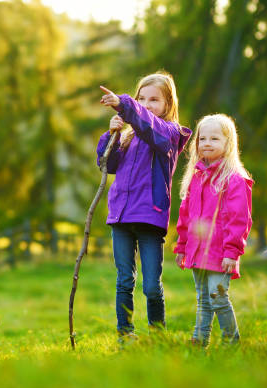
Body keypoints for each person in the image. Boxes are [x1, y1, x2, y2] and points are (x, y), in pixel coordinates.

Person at [97, 71, 192, 337]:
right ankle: (125, 333)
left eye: (154, 100)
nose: (147, 104)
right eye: (142, 98)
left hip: (150, 217)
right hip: (122, 217)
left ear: (168, 105)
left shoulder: (169, 135)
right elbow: (108, 164)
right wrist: (111, 136)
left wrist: (126, 105)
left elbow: (149, 125)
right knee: (124, 280)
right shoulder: (129, 136)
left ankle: (157, 334)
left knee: (151, 285)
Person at [173, 113, 253, 347]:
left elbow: (239, 219)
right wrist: (181, 247)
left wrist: (232, 252)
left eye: (214, 139)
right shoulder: (195, 178)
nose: (206, 143)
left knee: (217, 297)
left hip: (221, 252)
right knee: (202, 299)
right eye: (202, 139)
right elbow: (185, 216)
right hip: (197, 250)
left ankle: (231, 341)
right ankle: (199, 340)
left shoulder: (234, 179)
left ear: (228, 144)